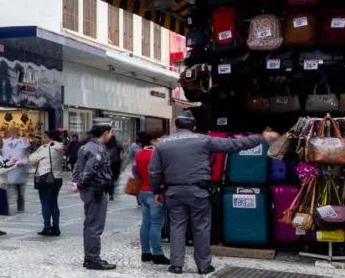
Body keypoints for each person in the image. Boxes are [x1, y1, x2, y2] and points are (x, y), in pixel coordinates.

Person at [148, 113, 275, 276]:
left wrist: (157, 190)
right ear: (193, 128)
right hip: (198, 192)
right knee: (201, 228)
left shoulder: (162, 144)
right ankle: (203, 266)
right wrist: (261, 138)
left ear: (176, 126)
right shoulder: (203, 140)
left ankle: (176, 265)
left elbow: (154, 171)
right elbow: (234, 145)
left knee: (177, 227)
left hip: (174, 192)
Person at [73, 122, 118, 271]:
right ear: (105, 132)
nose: (111, 135)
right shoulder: (96, 149)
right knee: (95, 225)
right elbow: (91, 170)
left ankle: (90, 256)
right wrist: (80, 184)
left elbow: (77, 168)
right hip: (96, 190)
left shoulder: (85, 147)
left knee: (90, 224)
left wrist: (78, 183)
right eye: (110, 132)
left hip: (90, 190)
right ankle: (93, 258)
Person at [134, 132, 168, 265]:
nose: (163, 140)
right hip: (155, 192)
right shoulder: (156, 154)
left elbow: (136, 173)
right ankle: (158, 254)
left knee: (145, 223)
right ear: (153, 140)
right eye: (161, 138)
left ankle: (145, 253)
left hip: (143, 190)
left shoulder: (140, 153)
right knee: (156, 224)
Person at [28, 129, 68, 238]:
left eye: (45, 137)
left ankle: (47, 226)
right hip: (58, 178)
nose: (43, 139)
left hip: (46, 178)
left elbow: (31, 159)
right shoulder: (60, 147)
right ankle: (56, 227)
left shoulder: (45, 148)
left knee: (45, 203)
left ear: (50, 138)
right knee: (54, 202)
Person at [3, 126, 31, 213]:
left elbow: (26, 153)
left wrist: (27, 162)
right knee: (7, 189)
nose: (12, 132)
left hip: (20, 167)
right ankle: (5, 208)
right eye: (11, 130)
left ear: (17, 131)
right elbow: (4, 154)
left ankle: (20, 208)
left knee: (20, 190)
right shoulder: (6, 142)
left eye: (14, 130)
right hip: (10, 168)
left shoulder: (23, 141)